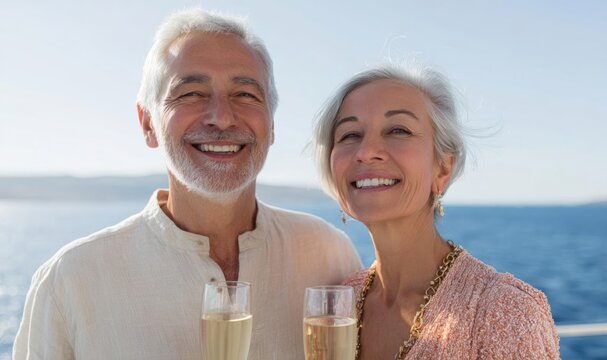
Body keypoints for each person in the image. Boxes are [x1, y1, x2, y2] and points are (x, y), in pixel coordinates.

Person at [13, 8, 361, 360]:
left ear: (271, 126)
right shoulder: (72, 280)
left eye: (245, 95)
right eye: (191, 93)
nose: (222, 117)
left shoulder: (330, 254)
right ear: (148, 123)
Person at [312, 64, 560, 359]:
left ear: (443, 168)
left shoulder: (502, 312)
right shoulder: (340, 302)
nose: (366, 151)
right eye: (350, 134)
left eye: (398, 130)